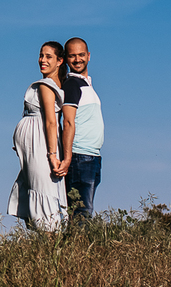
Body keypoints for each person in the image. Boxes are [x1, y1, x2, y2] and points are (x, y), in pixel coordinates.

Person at [7, 41, 68, 231]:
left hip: (41, 144)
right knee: (37, 187)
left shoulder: (45, 85)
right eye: (41, 56)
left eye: (48, 57)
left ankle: (49, 241)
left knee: (43, 188)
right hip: (35, 143)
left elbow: (51, 121)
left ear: (60, 61)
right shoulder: (52, 84)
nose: (42, 60)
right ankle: (44, 242)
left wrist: (52, 154)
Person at [61, 37, 103, 219]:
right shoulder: (71, 84)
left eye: (81, 55)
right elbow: (68, 122)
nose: (77, 59)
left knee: (84, 211)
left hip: (92, 156)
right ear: (65, 58)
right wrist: (69, 157)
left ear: (89, 56)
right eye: (72, 56)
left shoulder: (86, 85)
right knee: (81, 213)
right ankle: (77, 247)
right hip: (80, 157)